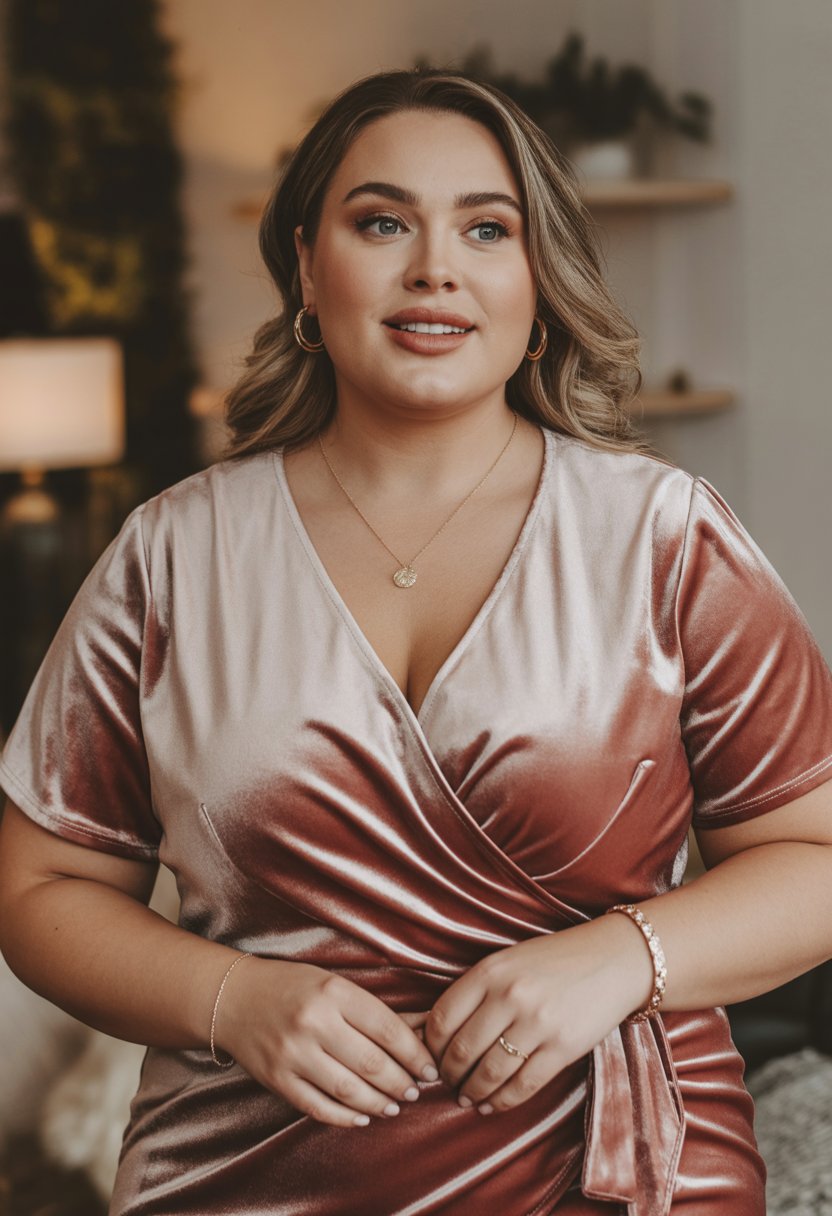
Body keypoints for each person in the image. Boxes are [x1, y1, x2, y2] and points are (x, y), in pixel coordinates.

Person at [1, 68, 831, 1216]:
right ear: (306, 265)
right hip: (242, 1182)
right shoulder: (169, 556)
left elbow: (813, 859)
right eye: (381, 221)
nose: (433, 267)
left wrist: (615, 958)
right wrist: (231, 997)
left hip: (621, 1179)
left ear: (536, 283)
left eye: (486, 228)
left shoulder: (666, 537)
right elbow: (40, 883)